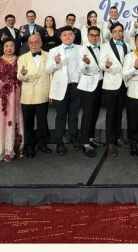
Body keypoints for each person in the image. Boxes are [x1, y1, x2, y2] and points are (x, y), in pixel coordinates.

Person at [45, 27, 83, 155]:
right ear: (60, 37)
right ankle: (59, 142)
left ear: (74, 36)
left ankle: (73, 138)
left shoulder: (81, 48)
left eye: (70, 34)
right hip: (61, 88)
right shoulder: (54, 50)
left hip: (77, 87)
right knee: (60, 116)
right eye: (65, 35)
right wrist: (56, 62)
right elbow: (47, 69)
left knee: (74, 115)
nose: (67, 36)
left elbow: (85, 67)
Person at [17, 33, 51, 158]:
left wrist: (51, 93)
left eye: (36, 42)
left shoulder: (49, 55)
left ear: (41, 43)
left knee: (42, 121)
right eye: (31, 43)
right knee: (28, 122)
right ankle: (30, 146)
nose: (34, 45)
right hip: (28, 94)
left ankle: (43, 143)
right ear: (28, 44)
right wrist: (23, 74)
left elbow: (51, 75)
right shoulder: (22, 58)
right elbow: (19, 77)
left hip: (43, 92)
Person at [100, 22, 131, 156]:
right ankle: (109, 143)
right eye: (115, 31)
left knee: (119, 113)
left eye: (120, 31)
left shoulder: (127, 46)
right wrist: (107, 66)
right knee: (110, 114)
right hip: (110, 84)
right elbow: (101, 64)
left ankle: (118, 138)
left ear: (122, 32)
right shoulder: (105, 46)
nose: (118, 33)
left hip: (123, 84)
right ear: (111, 33)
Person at [79, 26, 105, 157]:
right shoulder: (82, 49)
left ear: (99, 36)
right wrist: (87, 63)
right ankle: (85, 144)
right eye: (92, 35)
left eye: (96, 35)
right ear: (87, 36)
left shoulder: (101, 48)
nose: (94, 37)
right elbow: (81, 69)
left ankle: (90, 138)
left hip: (100, 84)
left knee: (95, 113)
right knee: (87, 114)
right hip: (88, 86)